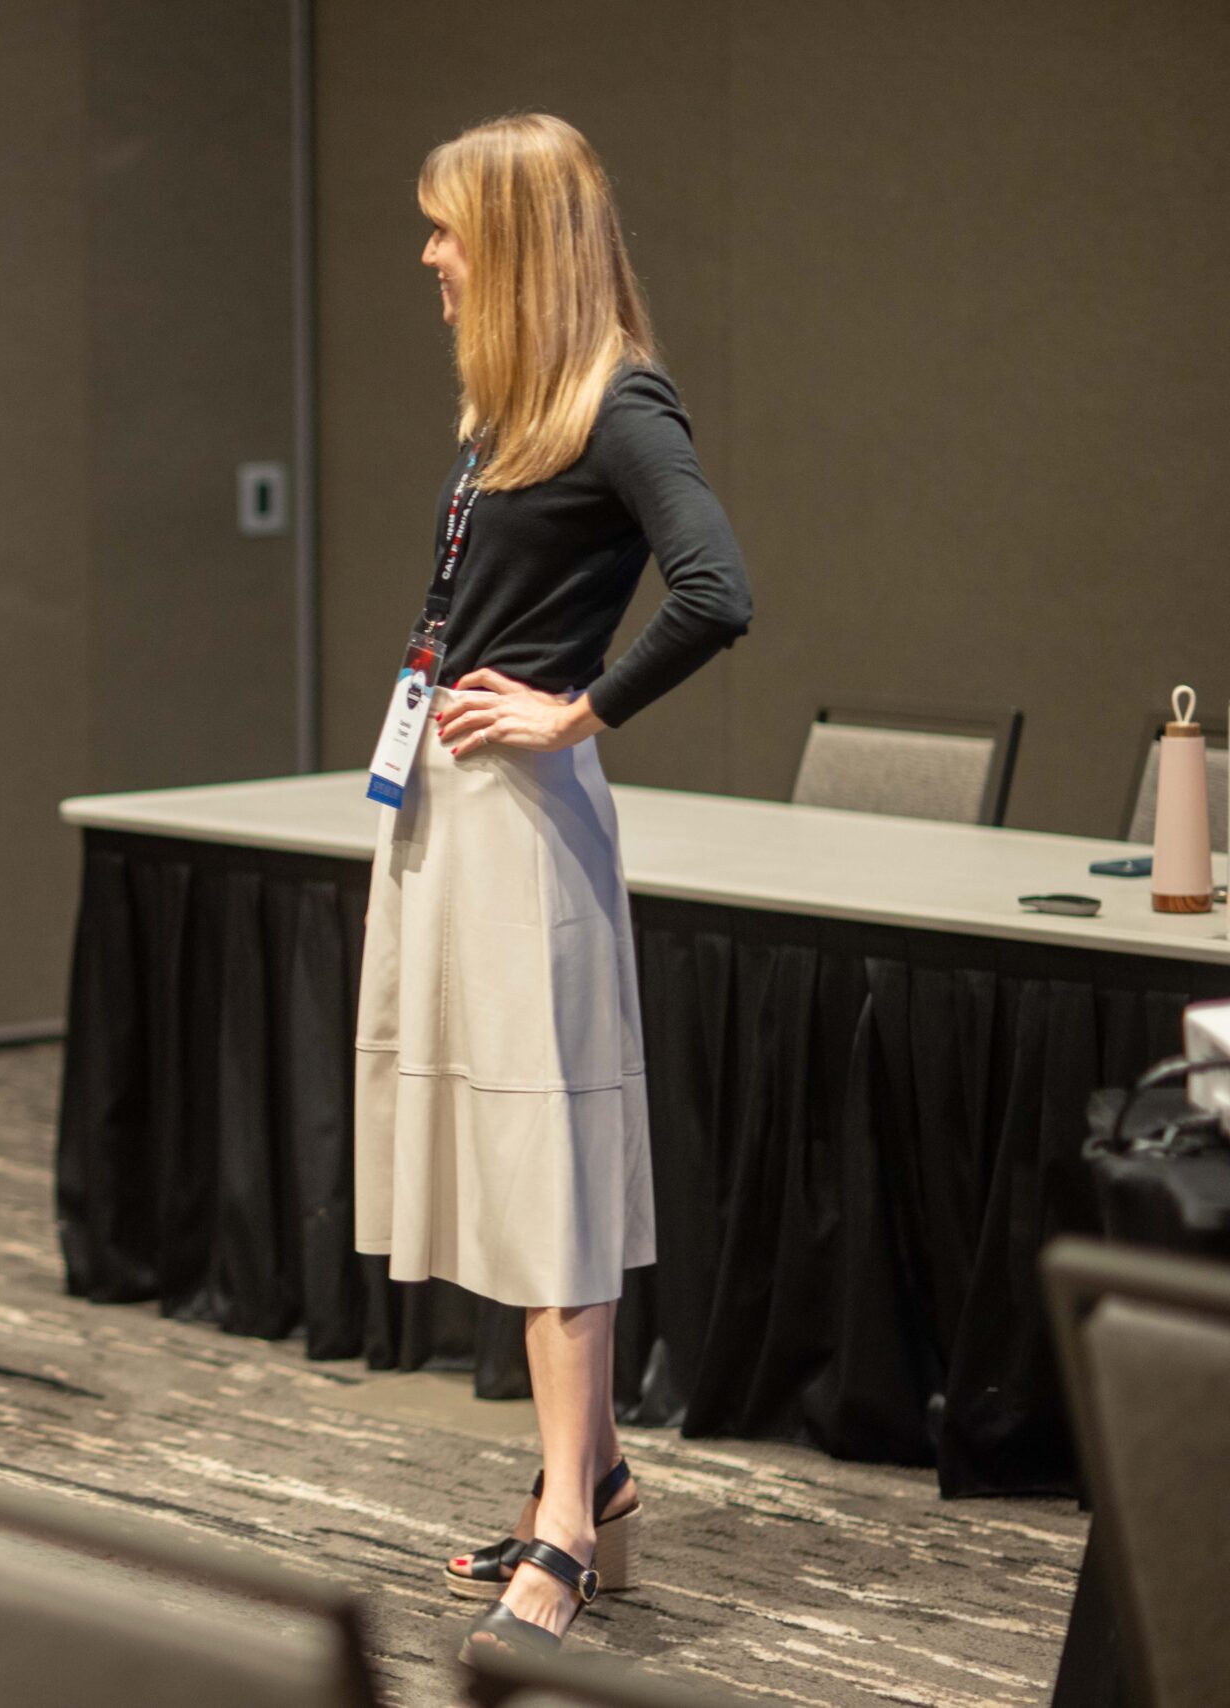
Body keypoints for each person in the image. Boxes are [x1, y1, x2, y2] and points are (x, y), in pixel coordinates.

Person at [352, 113, 753, 1654]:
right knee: (488, 1145)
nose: (434, 257)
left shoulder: (618, 402)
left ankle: (570, 1534)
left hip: (528, 820)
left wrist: (575, 706)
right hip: (453, 807)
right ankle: (597, 1482)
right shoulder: (506, 414)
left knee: (548, 1172)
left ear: (516, 241)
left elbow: (718, 588)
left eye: (450, 230)